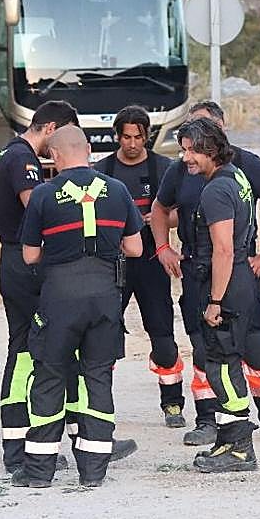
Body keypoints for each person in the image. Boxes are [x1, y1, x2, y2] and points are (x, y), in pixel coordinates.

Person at [151, 100, 260, 447]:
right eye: (186, 142)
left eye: (197, 142)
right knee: (206, 351)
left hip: (234, 269)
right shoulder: (182, 171)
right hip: (197, 270)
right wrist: (163, 248)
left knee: (255, 346)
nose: (188, 152)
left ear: (218, 136)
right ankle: (209, 421)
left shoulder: (241, 168)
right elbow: (159, 209)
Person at [14, 125, 145, 488]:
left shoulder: (43, 194)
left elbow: (29, 255)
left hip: (59, 297)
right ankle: (94, 471)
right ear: (87, 149)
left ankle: (39, 472)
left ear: (54, 156)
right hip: (105, 296)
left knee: (50, 378)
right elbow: (135, 249)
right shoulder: (117, 191)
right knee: (98, 378)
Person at [0, 100, 78, 472]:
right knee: (40, 349)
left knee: (21, 348)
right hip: (27, 264)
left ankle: (18, 444)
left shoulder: (1, 155)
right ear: (51, 129)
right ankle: (41, 442)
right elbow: (37, 206)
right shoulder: (23, 160)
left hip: (11, 258)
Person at [175, 117, 260, 472]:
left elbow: (223, 250)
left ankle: (240, 448)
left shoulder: (216, 190)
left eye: (192, 150)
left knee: (223, 367)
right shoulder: (236, 176)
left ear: (211, 149)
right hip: (239, 281)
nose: (186, 158)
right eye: (183, 150)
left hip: (226, 285)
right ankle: (228, 441)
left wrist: (214, 302)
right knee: (222, 363)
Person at [94, 105, 185, 428]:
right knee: (103, 336)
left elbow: (182, 212)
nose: (132, 144)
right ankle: (98, 406)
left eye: (139, 137)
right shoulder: (102, 171)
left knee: (162, 335)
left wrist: (158, 219)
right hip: (113, 265)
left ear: (147, 137)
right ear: (117, 136)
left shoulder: (166, 169)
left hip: (151, 261)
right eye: (126, 137)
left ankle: (173, 403)